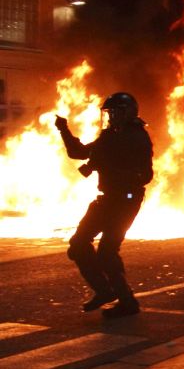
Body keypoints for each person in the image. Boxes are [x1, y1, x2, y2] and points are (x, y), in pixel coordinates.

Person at [55, 92, 154, 317]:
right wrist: (63, 130)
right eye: (109, 112)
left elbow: (145, 175)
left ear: (128, 112)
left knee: (107, 252)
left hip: (126, 201)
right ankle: (104, 291)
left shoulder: (137, 138)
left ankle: (127, 302)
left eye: (116, 111)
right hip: (107, 199)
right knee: (79, 243)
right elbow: (77, 153)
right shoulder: (109, 136)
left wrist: (111, 169)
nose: (111, 116)